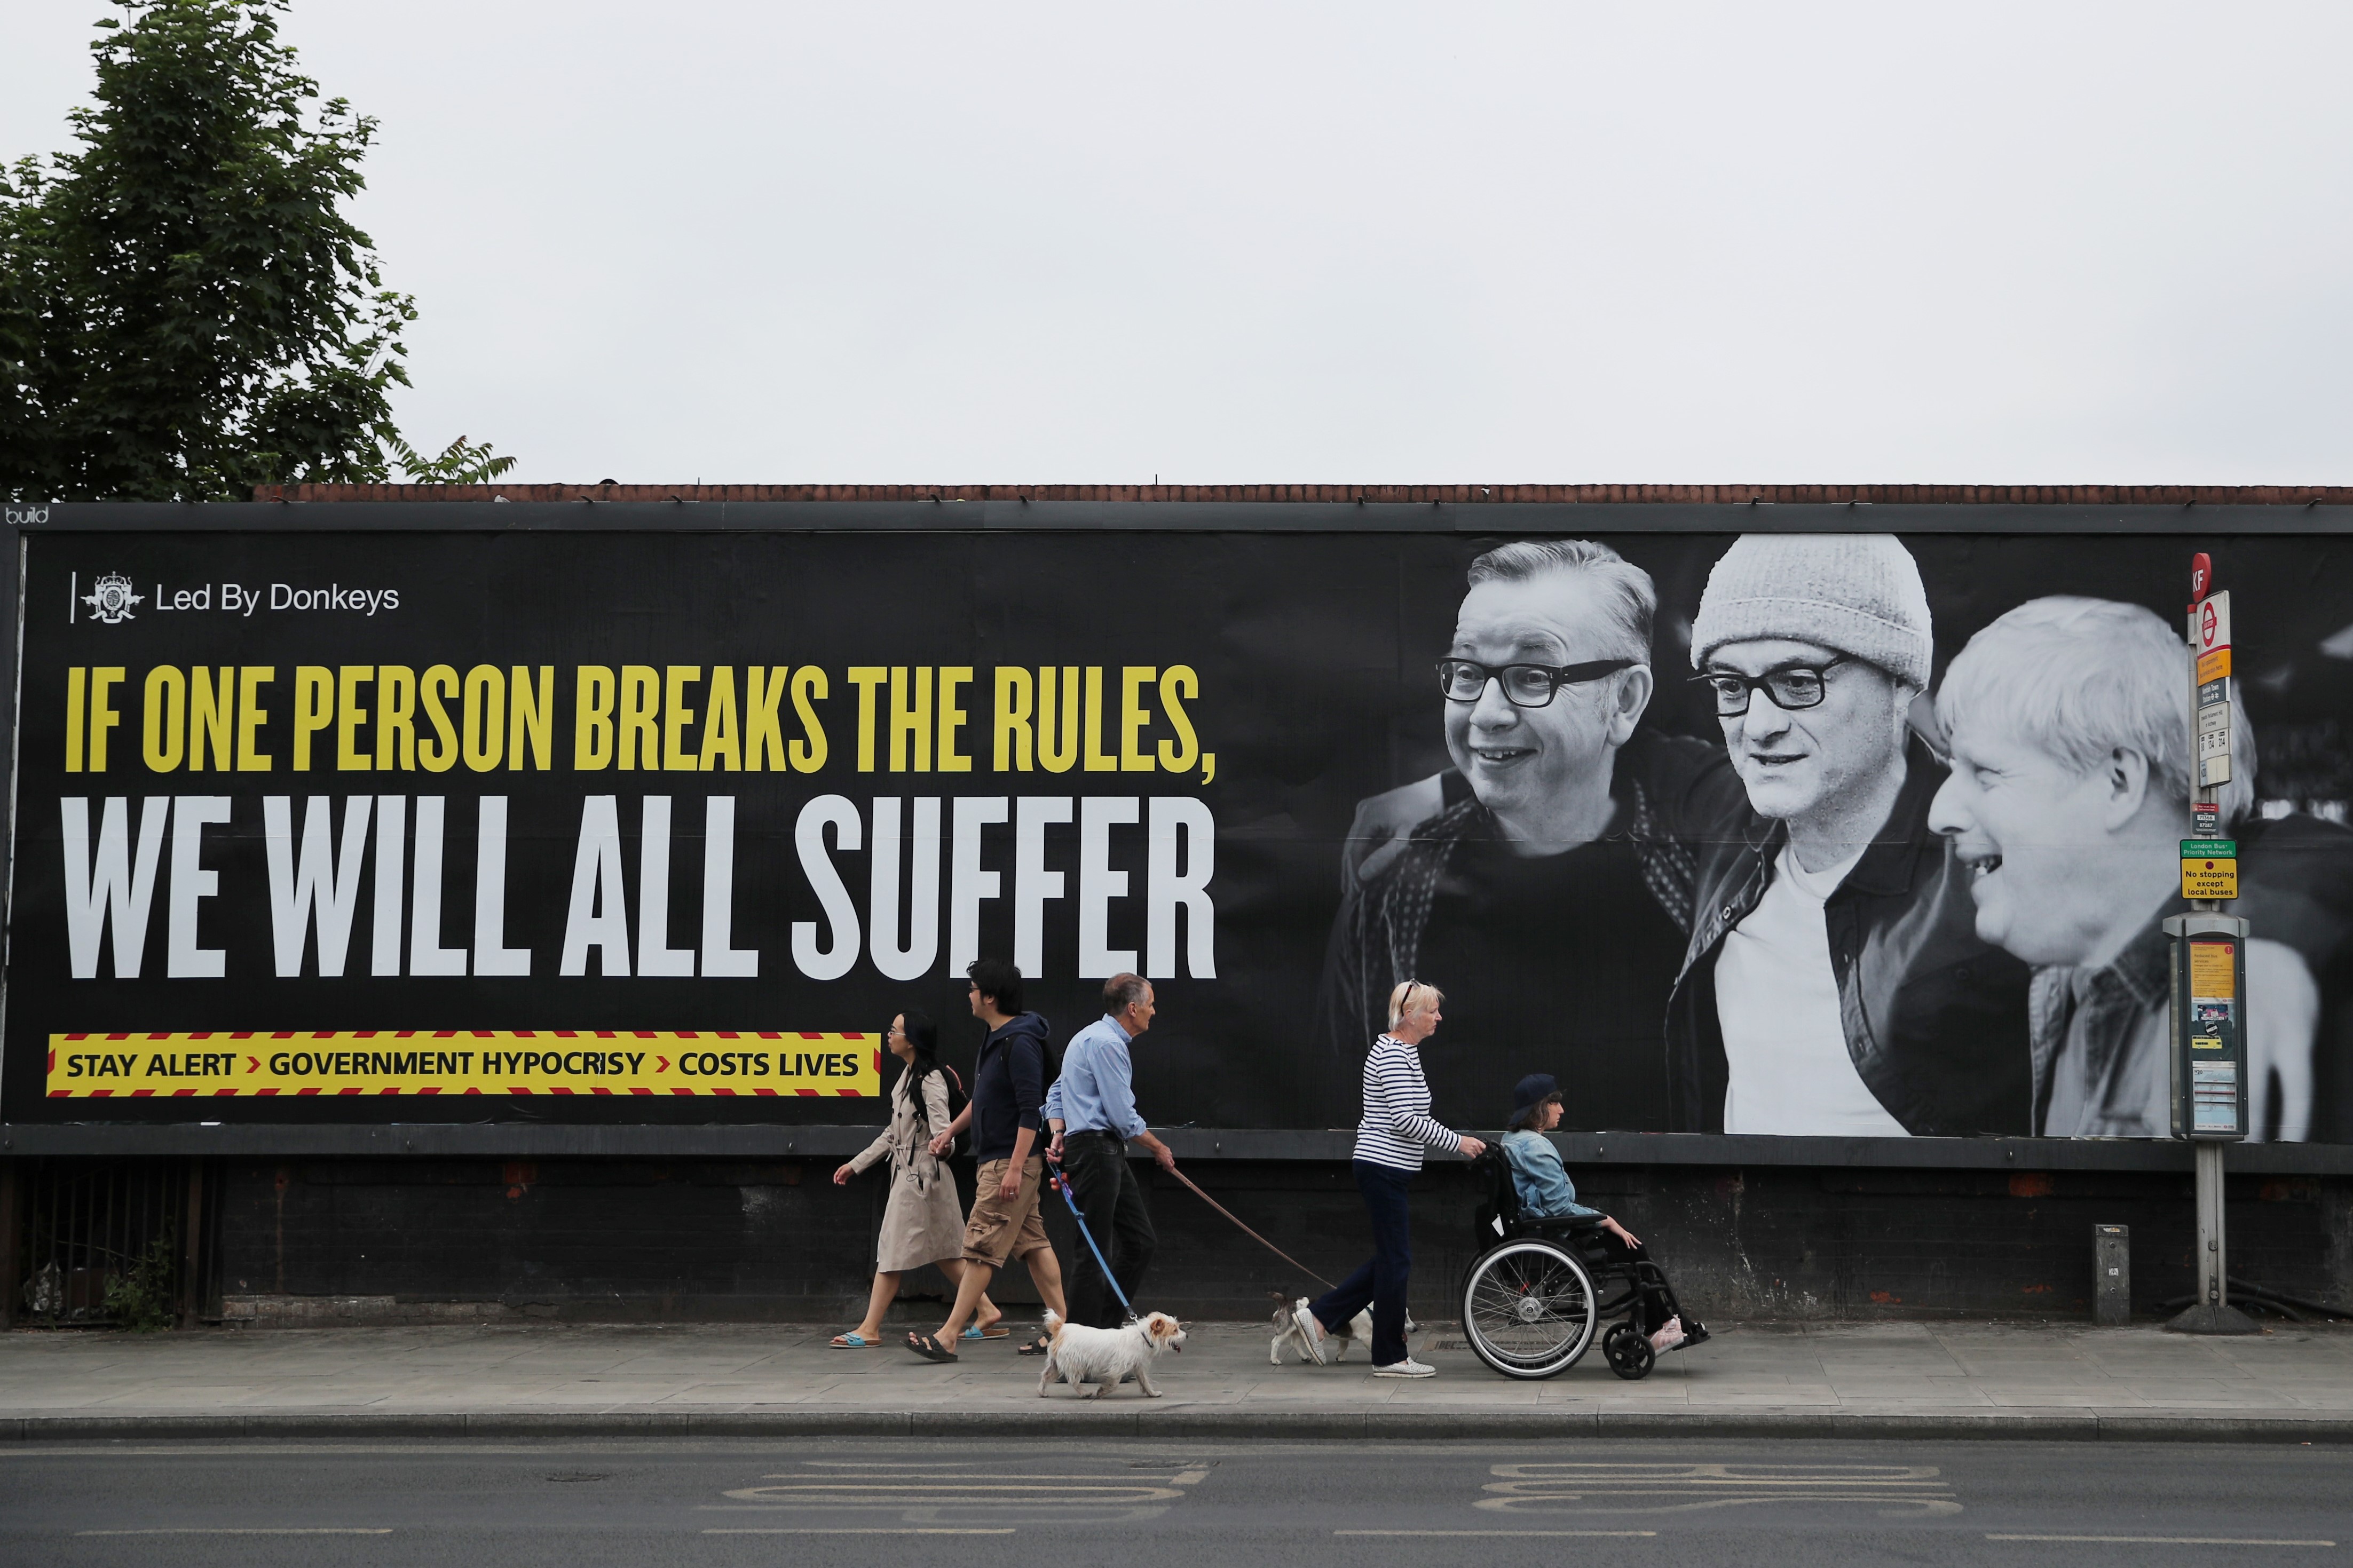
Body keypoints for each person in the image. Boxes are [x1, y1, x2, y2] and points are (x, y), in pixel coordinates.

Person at [1318, 538, 1724, 1130]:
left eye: (1533, 676)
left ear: (1625, 699)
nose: (1484, 713)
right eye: (1465, 672)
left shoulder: (1715, 881)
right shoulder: (1391, 894)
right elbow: (1343, 1113)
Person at [1929, 596, 2348, 1139]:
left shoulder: (2286, 1009)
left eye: (1985, 773)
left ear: (2119, 782)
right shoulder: (2066, 977)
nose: (1940, 814)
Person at [1664, 534, 2034, 1136]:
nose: (1758, 726)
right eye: (1731, 686)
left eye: (1799, 681)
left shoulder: (1995, 861)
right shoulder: (1727, 822)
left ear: (1900, 680)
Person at [1291, 981, 1486, 1379]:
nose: (1439, 1017)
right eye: (1432, 1011)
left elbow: (1413, 1118)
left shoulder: (1405, 1053)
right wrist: (1458, 1143)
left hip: (1388, 1169)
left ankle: (1319, 1318)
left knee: (1391, 1261)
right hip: (1382, 1168)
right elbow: (1405, 1120)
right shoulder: (1394, 1054)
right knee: (1397, 1262)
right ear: (1410, 1015)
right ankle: (1390, 1357)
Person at [905, 958, 1068, 1361]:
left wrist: (1014, 1168)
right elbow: (987, 1098)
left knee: (980, 1248)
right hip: (1000, 1160)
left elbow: (1031, 1109)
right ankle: (1065, 1332)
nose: (969, 994)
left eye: (974, 988)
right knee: (1032, 1243)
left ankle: (947, 1337)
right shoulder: (998, 1038)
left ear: (991, 997)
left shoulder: (1020, 1042)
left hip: (1007, 1163)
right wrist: (950, 1131)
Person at [828, 1010, 1005, 1348]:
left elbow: (944, 1131)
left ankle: (870, 1328)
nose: (889, 1035)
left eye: (894, 1031)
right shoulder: (909, 1078)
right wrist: (857, 1164)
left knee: (892, 1250)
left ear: (912, 1040)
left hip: (921, 1179)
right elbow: (893, 1134)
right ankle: (987, 1311)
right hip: (918, 1177)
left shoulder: (929, 1080)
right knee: (946, 1252)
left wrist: (944, 1148)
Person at [1501, 1072, 1704, 1349]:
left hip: (1543, 1229)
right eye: (1555, 1103)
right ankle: (1662, 1326)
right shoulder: (1535, 1147)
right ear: (1540, 1107)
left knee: (1633, 1249)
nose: (1561, 1109)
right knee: (1634, 1250)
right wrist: (1606, 1220)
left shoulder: (1511, 1140)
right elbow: (1559, 1208)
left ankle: (1667, 1322)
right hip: (1553, 1234)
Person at [1044, 972, 1179, 1328]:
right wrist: (1158, 1148)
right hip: (1097, 1151)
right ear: (1133, 1009)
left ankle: (1103, 1336)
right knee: (1093, 1251)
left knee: (1139, 1242)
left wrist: (1058, 1132)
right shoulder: (1108, 1044)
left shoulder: (1085, 1038)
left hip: (1098, 1151)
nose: (1154, 1011)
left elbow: (1056, 1094)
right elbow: (1122, 1117)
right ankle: (1085, 1353)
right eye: (1150, 1004)